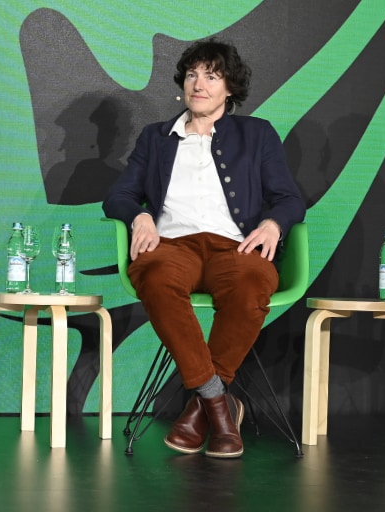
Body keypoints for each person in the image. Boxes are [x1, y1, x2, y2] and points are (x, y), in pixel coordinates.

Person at [103, 38, 305, 458]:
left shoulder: (257, 134)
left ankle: (200, 409)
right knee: (155, 277)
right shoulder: (156, 137)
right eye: (193, 74)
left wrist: (273, 223)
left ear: (229, 87)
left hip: (235, 248)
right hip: (172, 246)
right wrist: (138, 216)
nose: (200, 84)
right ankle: (219, 402)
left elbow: (290, 199)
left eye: (211, 76)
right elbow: (118, 196)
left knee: (253, 282)